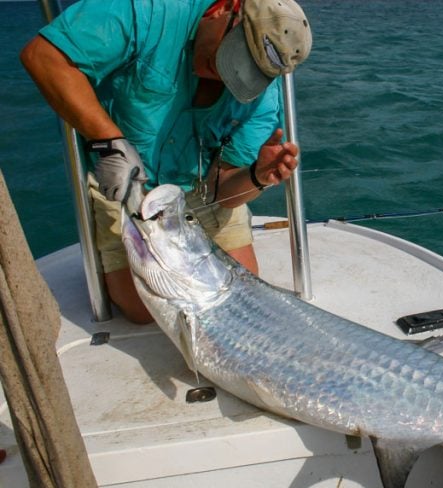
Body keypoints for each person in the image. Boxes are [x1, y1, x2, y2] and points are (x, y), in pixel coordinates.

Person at [20, 0, 312, 324]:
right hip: (124, 184)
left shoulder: (259, 101)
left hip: (199, 190)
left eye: (244, 74)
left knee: (238, 298)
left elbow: (223, 190)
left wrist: (257, 177)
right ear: (225, 9)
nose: (227, 73)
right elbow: (44, 57)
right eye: (231, 56)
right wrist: (108, 141)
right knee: (144, 310)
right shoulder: (145, 9)